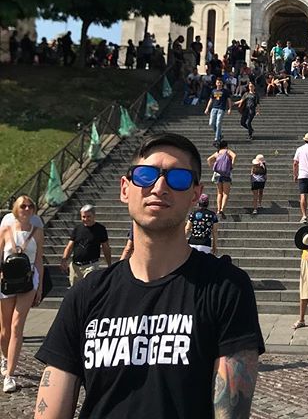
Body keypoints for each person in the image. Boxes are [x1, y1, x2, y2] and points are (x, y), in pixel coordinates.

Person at [35, 132, 263, 417]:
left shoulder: (227, 288)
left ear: (195, 194)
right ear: (124, 189)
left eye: (178, 177)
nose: (159, 186)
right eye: (145, 175)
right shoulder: (85, 294)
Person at [0, 196, 43, 393]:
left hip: (28, 281)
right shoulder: (6, 229)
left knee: (17, 326)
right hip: (7, 282)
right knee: (4, 329)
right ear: (16, 209)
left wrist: (40, 285)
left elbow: (39, 260)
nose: (27, 209)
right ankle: (4, 357)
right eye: (23, 206)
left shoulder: (37, 231)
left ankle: (10, 375)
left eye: (30, 206)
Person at [60, 205, 111, 286]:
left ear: (94, 216)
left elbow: (106, 247)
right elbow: (69, 246)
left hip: (91, 265)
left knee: (89, 287)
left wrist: (109, 264)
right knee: (75, 291)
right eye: (83, 217)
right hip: (75, 266)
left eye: (88, 216)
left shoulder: (100, 229)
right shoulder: (77, 228)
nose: (86, 219)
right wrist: (64, 260)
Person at [207, 140, 237, 219]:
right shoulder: (227, 151)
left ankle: (218, 209)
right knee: (225, 193)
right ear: (226, 146)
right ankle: (222, 209)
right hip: (226, 174)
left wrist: (213, 167)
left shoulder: (217, 152)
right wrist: (232, 165)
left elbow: (208, 159)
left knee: (219, 193)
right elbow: (234, 156)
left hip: (217, 174)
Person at [204, 77, 233, 147]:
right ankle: (219, 135)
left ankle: (217, 139)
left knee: (218, 123)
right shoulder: (213, 91)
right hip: (214, 108)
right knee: (211, 123)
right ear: (216, 83)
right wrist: (207, 108)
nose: (219, 84)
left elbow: (229, 100)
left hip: (221, 109)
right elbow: (211, 100)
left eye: (220, 83)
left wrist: (229, 109)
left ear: (222, 83)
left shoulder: (225, 91)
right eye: (218, 82)